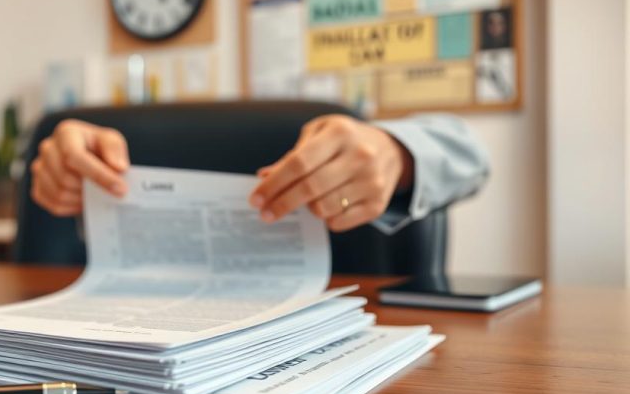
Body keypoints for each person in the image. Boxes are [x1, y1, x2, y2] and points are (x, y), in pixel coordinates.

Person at [29, 113, 489, 235]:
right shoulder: (114, 142)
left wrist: (398, 152)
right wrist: (69, 174)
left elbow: (474, 156)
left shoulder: (354, 134)